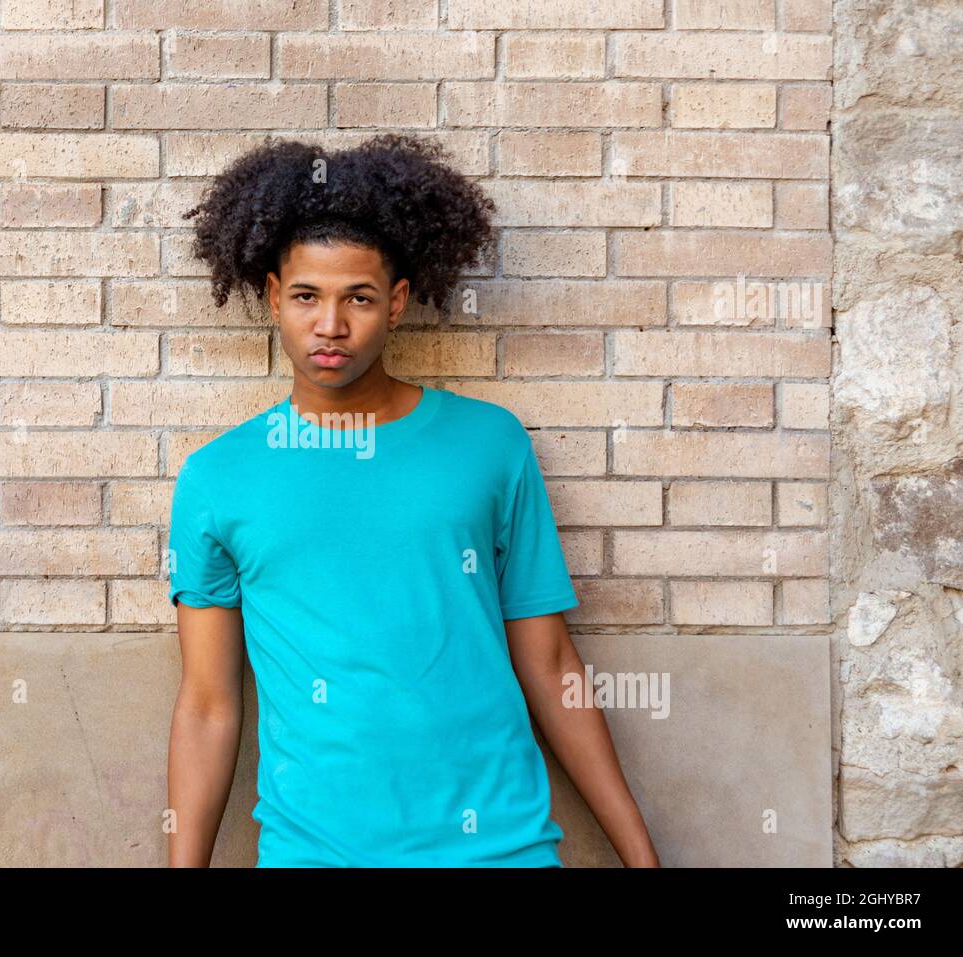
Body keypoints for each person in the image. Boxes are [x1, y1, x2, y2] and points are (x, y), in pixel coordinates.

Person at [165, 133, 658, 868]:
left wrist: (641, 856)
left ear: (396, 303)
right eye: (306, 296)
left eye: (357, 297)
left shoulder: (489, 445)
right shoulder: (218, 478)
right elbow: (207, 704)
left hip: (500, 847)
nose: (330, 325)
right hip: (315, 853)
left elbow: (552, 662)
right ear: (272, 297)